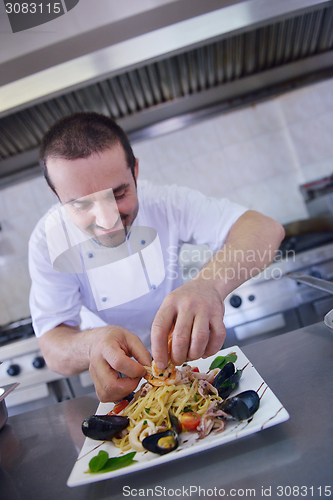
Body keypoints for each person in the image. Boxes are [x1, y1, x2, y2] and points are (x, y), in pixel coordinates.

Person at [28, 112, 285, 403]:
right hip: (120, 380)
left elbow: (265, 228)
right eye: (81, 204)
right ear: (56, 194)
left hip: (191, 361)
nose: (107, 219)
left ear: (135, 171)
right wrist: (93, 344)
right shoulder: (47, 241)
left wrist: (208, 285)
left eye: (119, 193)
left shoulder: (164, 202)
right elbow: (52, 346)